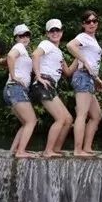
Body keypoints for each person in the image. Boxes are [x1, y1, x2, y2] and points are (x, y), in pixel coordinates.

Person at [31, 19, 76, 157]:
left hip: (50, 86)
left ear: (62, 32)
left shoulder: (59, 52)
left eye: (57, 30)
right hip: (43, 83)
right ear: (47, 33)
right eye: (52, 31)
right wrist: (38, 76)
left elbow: (67, 72)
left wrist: (79, 57)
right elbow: (35, 54)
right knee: (60, 119)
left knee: (68, 119)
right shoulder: (46, 44)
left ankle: (55, 149)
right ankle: (48, 151)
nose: (55, 33)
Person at [67, 11, 102, 157]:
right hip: (83, 77)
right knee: (82, 114)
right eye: (88, 21)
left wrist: (97, 79)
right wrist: (86, 63)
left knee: (96, 115)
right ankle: (78, 150)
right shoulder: (83, 36)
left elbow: (92, 63)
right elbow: (70, 46)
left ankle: (87, 147)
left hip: (89, 78)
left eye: (94, 21)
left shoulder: (92, 40)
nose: (92, 24)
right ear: (83, 24)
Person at [5, 24, 37, 158]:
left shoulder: (24, 51)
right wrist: (13, 76)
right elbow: (10, 56)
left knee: (25, 123)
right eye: (21, 36)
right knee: (32, 121)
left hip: (11, 90)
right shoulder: (18, 47)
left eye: (27, 35)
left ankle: (13, 150)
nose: (25, 38)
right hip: (16, 88)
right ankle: (21, 151)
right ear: (16, 38)